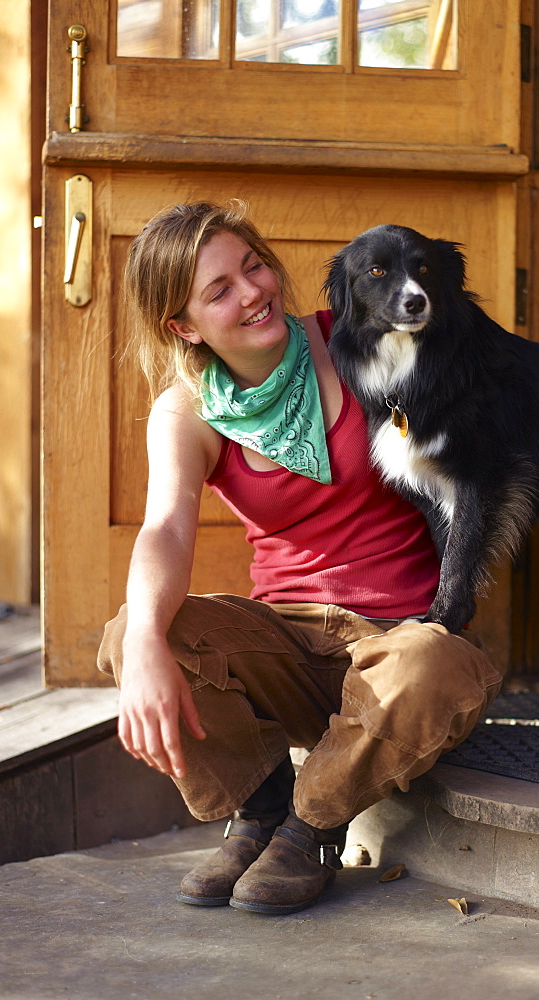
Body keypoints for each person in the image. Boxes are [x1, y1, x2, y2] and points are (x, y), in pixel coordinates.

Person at [98, 200, 503, 916]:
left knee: (431, 663)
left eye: (252, 266)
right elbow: (164, 529)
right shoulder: (187, 410)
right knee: (136, 631)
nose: (252, 292)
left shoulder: (358, 343)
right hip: (288, 645)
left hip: (398, 645)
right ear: (183, 325)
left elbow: (476, 430)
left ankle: (312, 826)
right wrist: (143, 642)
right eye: (219, 290)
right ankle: (258, 810)